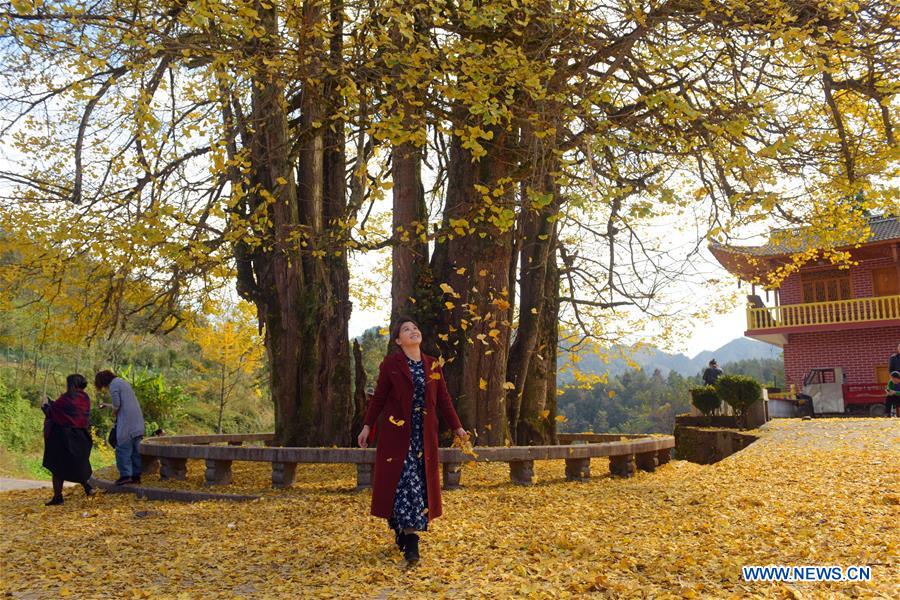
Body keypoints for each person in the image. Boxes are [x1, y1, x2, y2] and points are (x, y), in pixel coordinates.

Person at [357, 318, 468, 565]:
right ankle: (411, 541)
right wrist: (367, 426)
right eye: (406, 330)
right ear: (398, 340)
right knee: (404, 483)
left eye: (415, 328)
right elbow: (379, 398)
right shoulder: (391, 364)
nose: (413, 331)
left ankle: (403, 530)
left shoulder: (432, 365)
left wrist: (457, 427)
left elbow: (444, 399)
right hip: (396, 437)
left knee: (416, 485)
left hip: (423, 438)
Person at [41, 374, 94, 505]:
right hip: (81, 436)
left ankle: (58, 497)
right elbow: (74, 414)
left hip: (63, 437)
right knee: (78, 464)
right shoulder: (85, 398)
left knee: (57, 467)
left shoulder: (66, 398)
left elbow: (52, 412)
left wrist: (45, 405)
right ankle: (88, 488)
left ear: (71, 384)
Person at [95, 370, 145, 485]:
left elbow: (117, 405)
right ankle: (136, 476)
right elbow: (122, 403)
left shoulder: (114, 385)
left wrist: (113, 413)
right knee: (136, 451)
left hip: (127, 423)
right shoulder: (123, 383)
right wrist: (107, 405)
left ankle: (126, 475)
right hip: (137, 422)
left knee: (122, 449)